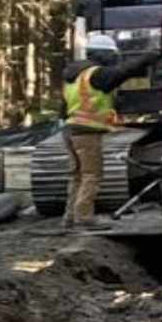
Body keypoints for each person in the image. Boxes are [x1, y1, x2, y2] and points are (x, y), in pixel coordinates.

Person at [61, 54, 123, 226]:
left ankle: (70, 216)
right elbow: (123, 72)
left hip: (69, 129)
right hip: (86, 132)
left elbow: (64, 108)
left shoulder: (72, 78)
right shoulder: (94, 75)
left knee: (76, 176)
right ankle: (84, 217)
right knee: (91, 175)